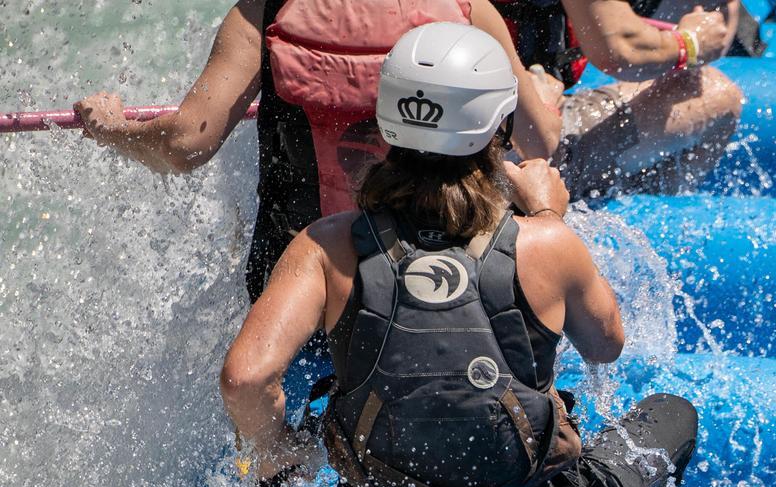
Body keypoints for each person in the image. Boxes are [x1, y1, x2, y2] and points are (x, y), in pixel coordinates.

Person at [219, 23, 696, 487]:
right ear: (500, 127)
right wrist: (550, 214)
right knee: (673, 415)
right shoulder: (545, 244)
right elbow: (605, 344)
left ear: (387, 120)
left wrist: (274, 450)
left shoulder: (325, 246)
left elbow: (245, 378)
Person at [74, 1, 563, 299]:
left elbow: (185, 143)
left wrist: (113, 128)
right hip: (444, 280)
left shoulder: (266, 11)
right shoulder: (468, 11)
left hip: (303, 282)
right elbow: (539, 141)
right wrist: (542, 96)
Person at [492, 0, 746, 200]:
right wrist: (690, 43)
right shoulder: (480, 14)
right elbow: (622, 52)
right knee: (719, 95)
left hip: (496, 139)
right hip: (511, 155)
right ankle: (632, 212)